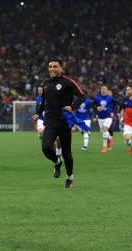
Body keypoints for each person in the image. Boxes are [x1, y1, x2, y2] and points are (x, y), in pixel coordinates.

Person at [32, 58, 86, 188]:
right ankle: (57, 162)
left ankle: (69, 178)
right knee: (45, 147)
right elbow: (44, 101)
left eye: (55, 66)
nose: (52, 69)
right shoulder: (46, 84)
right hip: (50, 122)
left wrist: (72, 107)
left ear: (61, 68)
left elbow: (82, 96)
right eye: (50, 67)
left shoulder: (68, 82)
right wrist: (38, 113)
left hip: (64, 123)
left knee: (67, 152)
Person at [35, 86, 62, 161]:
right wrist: (36, 114)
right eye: (38, 90)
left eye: (41, 90)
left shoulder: (50, 98)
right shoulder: (37, 99)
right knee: (40, 132)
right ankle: (45, 141)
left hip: (51, 119)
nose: (39, 91)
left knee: (57, 139)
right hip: (41, 118)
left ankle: (59, 151)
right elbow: (38, 108)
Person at [92, 85, 118, 153]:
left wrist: (113, 112)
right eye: (102, 88)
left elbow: (116, 105)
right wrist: (96, 108)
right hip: (100, 117)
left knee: (105, 129)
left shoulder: (110, 98)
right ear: (100, 90)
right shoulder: (97, 97)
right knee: (104, 132)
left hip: (108, 117)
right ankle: (109, 138)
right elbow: (92, 105)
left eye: (104, 88)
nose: (103, 89)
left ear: (107, 90)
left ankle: (104, 146)